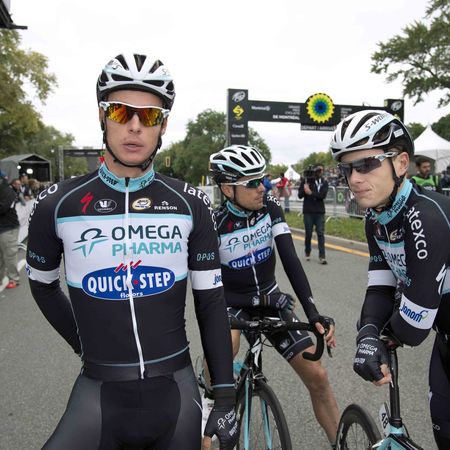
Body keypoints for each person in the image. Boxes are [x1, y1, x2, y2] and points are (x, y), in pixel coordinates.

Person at [26, 53, 237, 450]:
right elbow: (42, 285)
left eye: (150, 116)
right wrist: (82, 343)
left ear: (164, 126)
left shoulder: (190, 203)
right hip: (98, 393)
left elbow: (210, 302)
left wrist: (224, 394)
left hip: (176, 395)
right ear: (102, 116)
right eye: (121, 111)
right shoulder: (57, 204)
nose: (135, 126)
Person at [203, 145, 340, 449]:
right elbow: (210, 288)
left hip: (271, 299)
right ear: (227, 188)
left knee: (318, 376)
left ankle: (339, 444)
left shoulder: (270, 207)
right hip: (232, 303)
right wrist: (259, 302)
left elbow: (290, 260)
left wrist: (313, 313)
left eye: (263, 179)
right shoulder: (213, 224)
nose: (262, 187)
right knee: (227, 345)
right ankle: (211, 397)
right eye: (252, 182)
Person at [330, 109, 450, 450]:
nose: (354, 178)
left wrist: (381, 338)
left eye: (367, 164)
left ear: (401, 163)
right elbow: (381, 288)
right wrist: (368, 333)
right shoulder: (376, 219)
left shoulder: (425, 216)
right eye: (347, 168)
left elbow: (414, 325)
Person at [298, 164, 329, 264]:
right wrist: (304, 190)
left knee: (320, 233)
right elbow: (299, 195)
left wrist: (311, 193)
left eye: (321, 170)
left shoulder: (324, 182)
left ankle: (322, 256)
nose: (320, 172)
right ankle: (307, 252)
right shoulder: (305, 181)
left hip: (319, 211)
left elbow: (323, 195)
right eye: (318, 170)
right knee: (308, 233)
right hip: (308, 211)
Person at [0, 171, 20, 289]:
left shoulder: (7, 191)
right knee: (1, 256)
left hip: (8, 228)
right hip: (4, 227)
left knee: (9, 255)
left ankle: (14, 278)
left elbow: (2, 208)